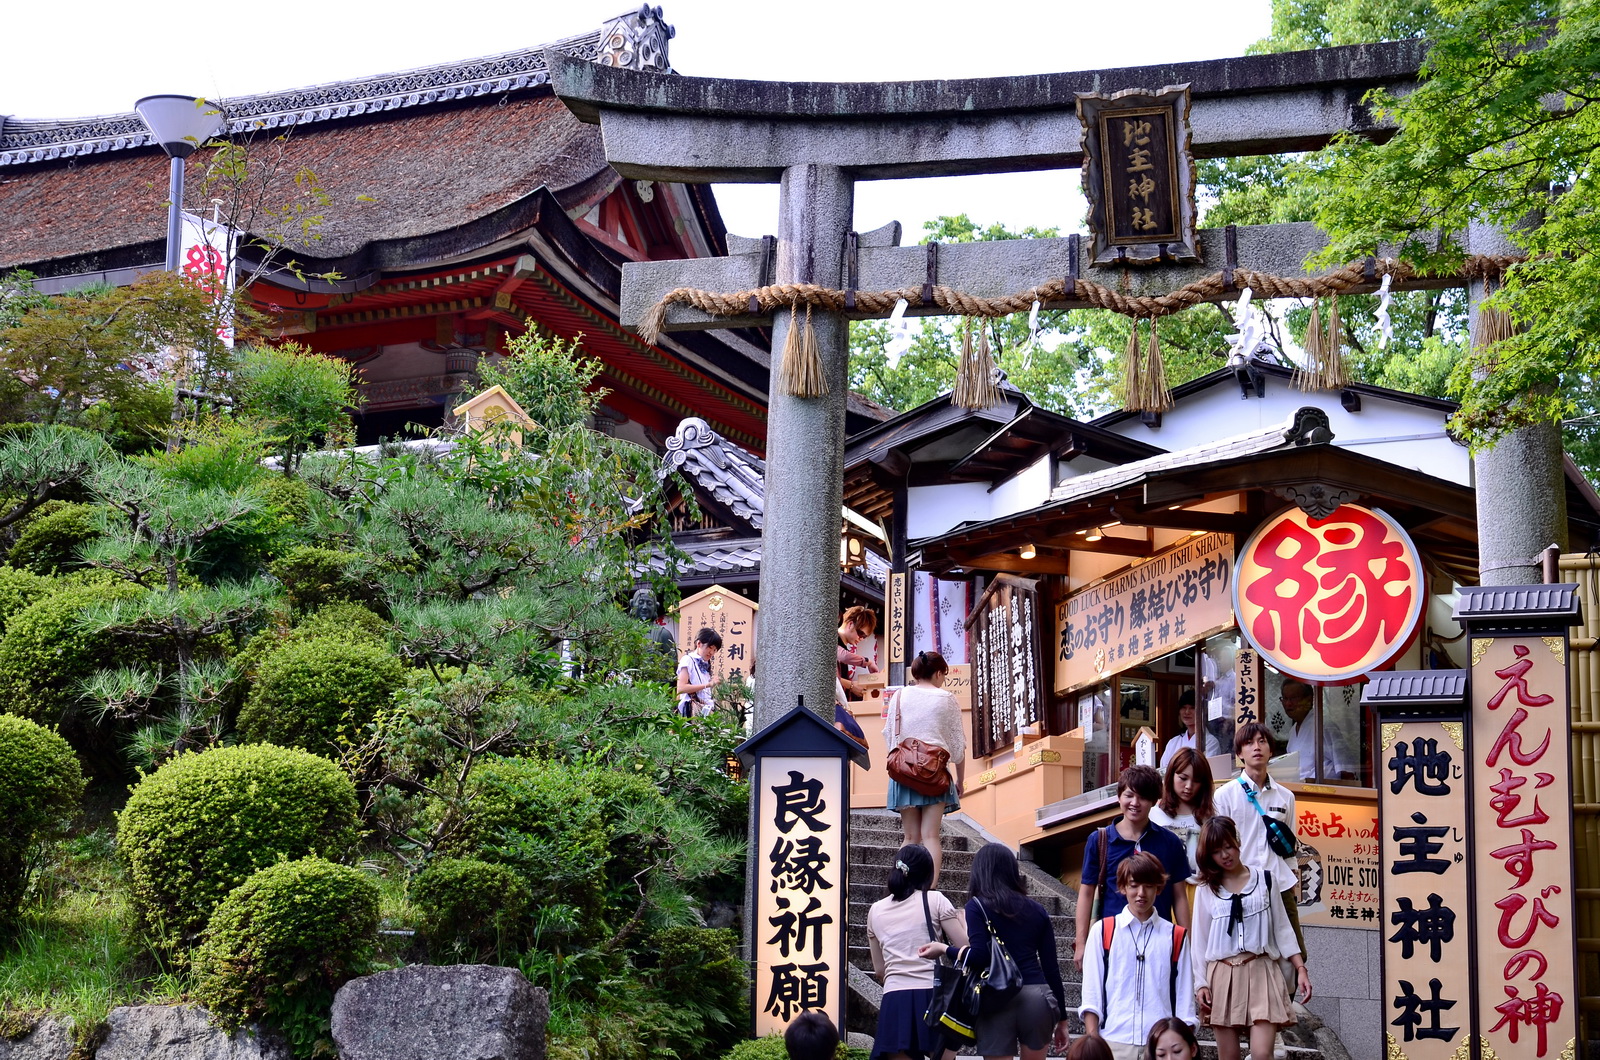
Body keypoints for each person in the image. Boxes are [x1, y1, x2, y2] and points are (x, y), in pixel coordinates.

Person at [917, 844, 1071, 1060]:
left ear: (980, 871)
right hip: (1036, 996)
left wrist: (944, 949)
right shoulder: (1038, 910)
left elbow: (979, 957)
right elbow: (1052, 969)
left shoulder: (977, 906)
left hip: (995, 998)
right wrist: (1062, 1019)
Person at [1191, 817, 1310, 1060]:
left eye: (1228, 846)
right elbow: (1199, 941)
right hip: (1222, 975)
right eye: (1216, 851)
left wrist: (1300, 968)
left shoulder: (1266, 880)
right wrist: (1200, 983)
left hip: (1261, 969)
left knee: (1262, 1053)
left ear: (1237, 841)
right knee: (1229, 1056)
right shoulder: (1206, 889)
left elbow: (1283, 929)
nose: (1225, 854)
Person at [1079, 851, 1195, 1060]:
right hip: (1113, 1042)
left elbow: (1185, 999)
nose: (1141, 893)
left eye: (1149, 885)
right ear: (1123, 887)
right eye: (1134, 885)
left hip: (1161, 1046)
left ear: (1158, 888)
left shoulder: (1175, 936)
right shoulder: (1103, 930)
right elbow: (1091, 994)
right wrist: (1094, 1040)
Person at [1075, 766, 1191, 970]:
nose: (1135, 803)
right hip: (1112, 940)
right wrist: (1081, 943)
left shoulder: (1170, 842)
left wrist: (1184, 942)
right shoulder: (1099, 840)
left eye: (1143, 797)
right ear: (1119, 797)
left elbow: (1179, 896)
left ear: (1155, 801)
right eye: (1129, 795)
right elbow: (1086, 893)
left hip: (1159, 940)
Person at [867, 843, 969, 1060]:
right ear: (927, 873)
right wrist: (964, 923)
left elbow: (879, 970)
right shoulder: (935, 900)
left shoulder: (875, 910)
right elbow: (965, 949)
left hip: (894, 999)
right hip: (933, 995)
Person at [1211, 722, 1304, 959]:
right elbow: (1219, 845)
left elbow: (1289, 847)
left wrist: (1294, 883)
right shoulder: (1225, 795)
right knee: (1248, 952)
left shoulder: (1286, 796)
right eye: (1249, 743)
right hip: (1242, 883)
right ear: (1239, 753)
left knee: (1293, 954)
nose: (1257, 747)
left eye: (1262, 742)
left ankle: (1287, 996)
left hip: (1279, 883)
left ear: (1271, 750)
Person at [883, 650, 965, 885]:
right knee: (930, 836)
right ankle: (928, 891)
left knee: (910, 836)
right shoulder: (946, 698)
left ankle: (901, 886)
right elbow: (958, 747)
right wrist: (960, 780)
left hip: (904, 772)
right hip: (934, 774)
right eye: (943, 675)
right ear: (938, 673)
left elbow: (890, 736)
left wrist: (905, 763)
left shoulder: (899, 696)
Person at [1149, 748, 1214, 911]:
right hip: (1162, 893)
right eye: (1183, 778)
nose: (1188, 786)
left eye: (1196, 781)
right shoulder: (1153, 815)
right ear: (1171, 775)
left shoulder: (1209, 818)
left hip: (1203, 894)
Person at [1279, 680, 1348, 781]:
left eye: (1293, 698)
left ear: (1309, 699)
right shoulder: (1293, 730)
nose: (1288, 703)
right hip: (1299, 790)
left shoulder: (1324, 725)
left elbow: (1345, 768)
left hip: (1323, 791)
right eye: (1285, 698)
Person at [1159, 690, 1222, 771]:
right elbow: (1163, 770)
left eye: (1192, 708)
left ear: (1202, 711)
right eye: (1183, 707)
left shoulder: (1210, 742)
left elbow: (1205, 772)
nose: (1187, 712)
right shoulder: (1173, 742)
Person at [674, 627, 721, 717]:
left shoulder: (706, 664)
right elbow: (681, 688)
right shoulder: (688, 660)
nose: (711, 652)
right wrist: (708, 685)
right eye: (710, 647)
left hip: (704, 712)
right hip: (690, 712)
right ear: (699, 643)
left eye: (715, 650)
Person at [838, 605, 880, 699]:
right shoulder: (831, 641)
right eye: (861, 634)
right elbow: (828, 677)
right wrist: (868, 662)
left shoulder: (841, 645)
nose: (861, 639)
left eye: (864, 637)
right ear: (850, 624)